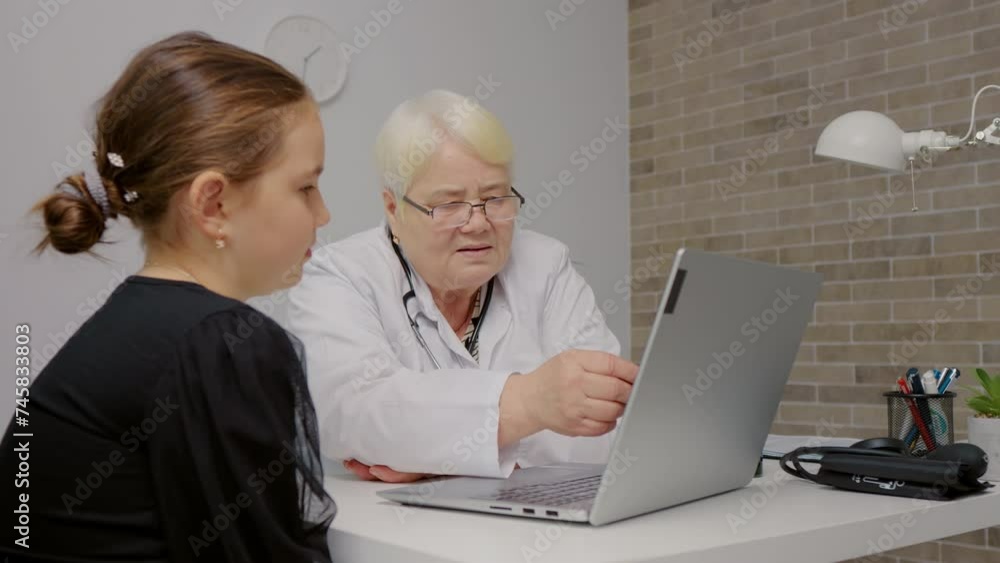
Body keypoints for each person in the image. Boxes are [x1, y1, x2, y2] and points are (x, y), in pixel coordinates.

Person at [0, 32, 335, 562]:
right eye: (305, 188)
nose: (323, 215)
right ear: (213, 204)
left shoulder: (136, 330)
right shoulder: (218, 343)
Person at [287, 90, 638, 483]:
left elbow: (608, 425)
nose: (478, 223)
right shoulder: (338, 276)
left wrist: (429, 455)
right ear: (393, 208)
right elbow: (351, 414)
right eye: (449, 205)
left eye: (495, 198)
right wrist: (531, 403)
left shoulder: (546, 265)